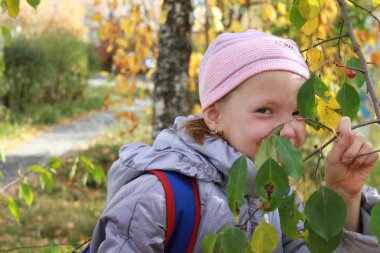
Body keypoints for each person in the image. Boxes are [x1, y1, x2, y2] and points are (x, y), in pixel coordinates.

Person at [89, 30, 380, 252]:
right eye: (265, 111)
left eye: (297, 113)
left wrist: (345, 195)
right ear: (214, 115)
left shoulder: (278, 197)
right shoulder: (155, 198)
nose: (288, 130)